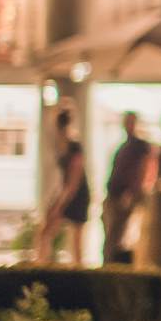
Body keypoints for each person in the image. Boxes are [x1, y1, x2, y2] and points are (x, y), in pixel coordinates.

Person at [37, 107, 92, 264]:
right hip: (67, 191)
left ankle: (75, 269)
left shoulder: (74, 147)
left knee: (76, 240)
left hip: (77, 194)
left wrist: (60, 204)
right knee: (47, 230)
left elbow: (74, 181)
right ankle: (42, 262)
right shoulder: (62, 146)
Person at [103, 111, 156, 264]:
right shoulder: (125, 147)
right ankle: (110, 263)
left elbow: (142, 170)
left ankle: (112, 265)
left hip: (125, 194)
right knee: (112, 233)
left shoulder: (139, 147)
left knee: (117, 234)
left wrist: (131, 192)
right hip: (115, 193)